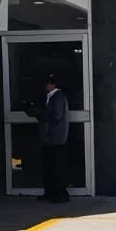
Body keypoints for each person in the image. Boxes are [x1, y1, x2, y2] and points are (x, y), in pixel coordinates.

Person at [39, 74, 70, 204]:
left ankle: (60, 193)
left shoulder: (58, 97)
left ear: (53, 85)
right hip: (50, 139)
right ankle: (50, 192)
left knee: (57, 167)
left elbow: (56, 116)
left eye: (48, 83)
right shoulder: (50, 97)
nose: (45, 86)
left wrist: (40, 114)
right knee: (50, 167)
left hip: (57, 139)